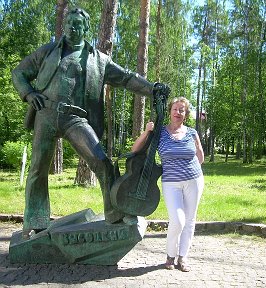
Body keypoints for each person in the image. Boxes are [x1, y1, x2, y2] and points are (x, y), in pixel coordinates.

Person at [12, 7, 169, 239]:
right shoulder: (47, 52)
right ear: (64, 26)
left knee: (102, 162)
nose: (72, 28)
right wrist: (28, 93)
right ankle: (35, 221)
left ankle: (116, 213)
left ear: (86, 28)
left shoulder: (98, 60)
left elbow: (126, 78)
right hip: (45, 113)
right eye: (69, 23)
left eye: (78, 24)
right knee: (37, 168)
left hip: (75, 118)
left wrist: (152, 89)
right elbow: (19, 73)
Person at [132, 96, 204, 272]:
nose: (178, 112)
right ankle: (170, 255)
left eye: (182, 110)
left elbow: (200, 157)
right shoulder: (160, 132)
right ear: (170, 111)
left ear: (185, 114)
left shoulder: (192, 132)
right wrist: (147, 131)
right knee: (177, 220)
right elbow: (135, 149)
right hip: (171, 183)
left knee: (189, 220)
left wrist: (191, 166)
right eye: (175, 109)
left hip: (193, 180)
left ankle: (182, 257)